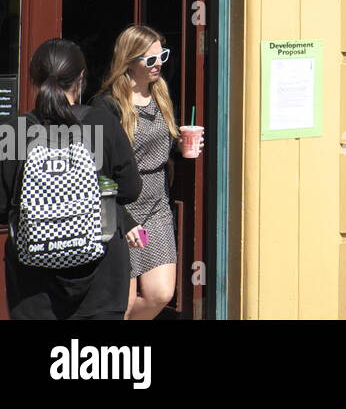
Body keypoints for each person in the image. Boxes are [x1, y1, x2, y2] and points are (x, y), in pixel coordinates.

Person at [1, 39, 142, 320]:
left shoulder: (13, 131)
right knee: (97, 364)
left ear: (34, 79)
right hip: (101, 274)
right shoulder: (102, 123)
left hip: (34, 283)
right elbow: (129, 190)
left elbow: (3, 205)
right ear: (81, 78)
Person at [93, 24, 203, 320]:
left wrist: (180, 148)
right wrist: (120, 218)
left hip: (156, 204)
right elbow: (98, 168)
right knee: (123, 302)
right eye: (150, 59)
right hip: (120, 206)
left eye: (162, 56)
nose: (159, 65)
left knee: (161, 293)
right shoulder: (107, 105)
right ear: (129, 60)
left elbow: (160, 148)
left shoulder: (161, 95)